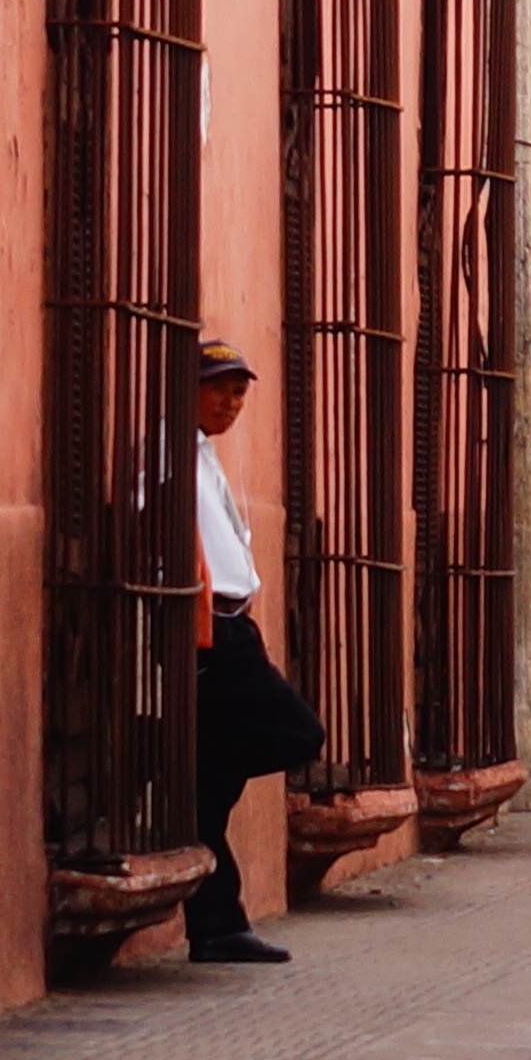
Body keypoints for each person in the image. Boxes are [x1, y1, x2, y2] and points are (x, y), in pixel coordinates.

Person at [187, 339, 316, 963]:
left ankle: (217, 926)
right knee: (299, 733)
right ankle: (216, 921)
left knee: (205, 792)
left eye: (238, 392)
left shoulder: (202, 454)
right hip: (211, 633)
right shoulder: (168, 455)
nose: (230, 402)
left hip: (233, 626)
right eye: (218, 389)